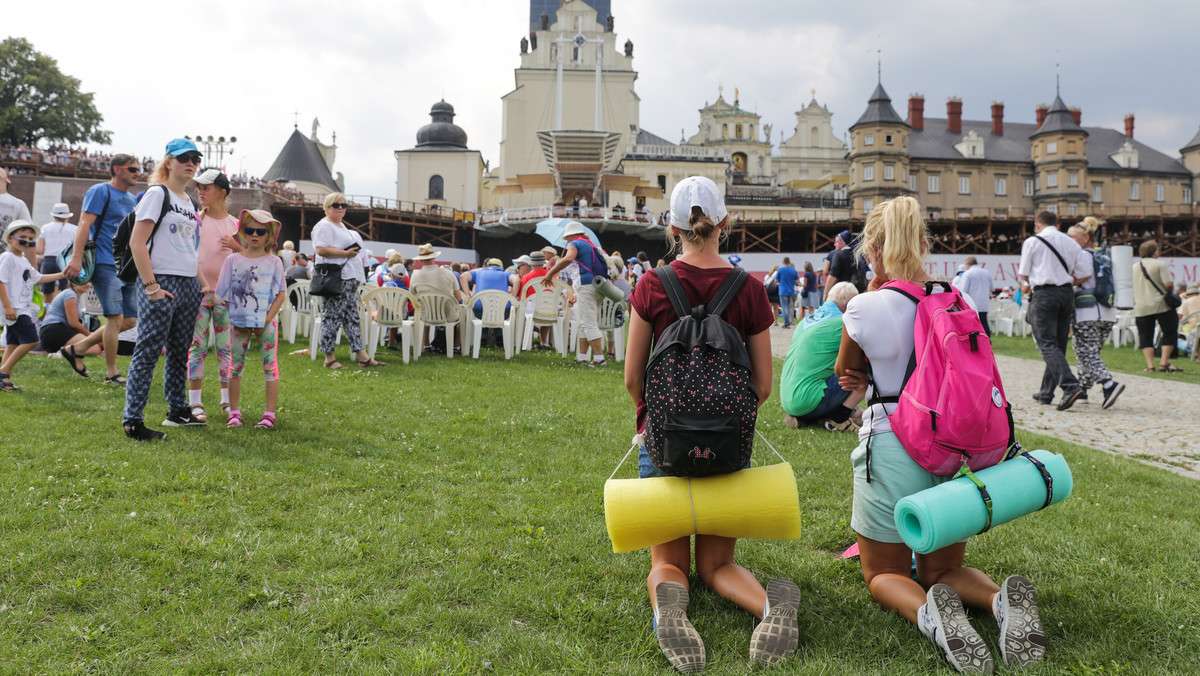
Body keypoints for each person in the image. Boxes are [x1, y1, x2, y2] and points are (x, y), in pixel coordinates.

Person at [836, 196, 1045, 674]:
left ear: (873, 248)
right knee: (941, 569)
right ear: (924, 243)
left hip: (893, 440)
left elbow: (845, 371)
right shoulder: (958, 299)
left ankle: (932, 618)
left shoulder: (866, 306)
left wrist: (873, 297)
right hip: (954, 446)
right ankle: (997, 603)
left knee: (884, 572)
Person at [625, 176, 798, 671]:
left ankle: (669, 610)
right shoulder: (749, 289)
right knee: (717, 564)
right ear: (725, 222)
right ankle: (768, 605)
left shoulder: (652, 284)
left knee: (668, 563)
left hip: (663, 445)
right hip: (726, 448)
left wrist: (656, 416)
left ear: (671, 226)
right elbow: (763, 385)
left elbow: (633, 377)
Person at [123, 139, 209, 440]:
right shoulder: (157, 193)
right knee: (147, 351)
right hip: (161, 281)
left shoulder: (189, 202)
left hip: (187, 284)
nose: (191, 162)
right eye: (184, 157)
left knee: (178, 352)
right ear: (168, 162)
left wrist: (202, 283)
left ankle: (177, 410)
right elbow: (137, 242)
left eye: (196, 158)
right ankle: (133, 421)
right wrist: (152, 287)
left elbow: (189, 247)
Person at [63, 153, 141, 385]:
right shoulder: (100, 191)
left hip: (126, 265)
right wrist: (76, 259)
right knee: (115, 317)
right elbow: (84, 224)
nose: (138, 173)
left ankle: (77, 348)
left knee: (130, 320)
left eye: (138, 170)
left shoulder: (133, 199)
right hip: (105, 262)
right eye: (133, 169)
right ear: (118, 169)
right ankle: (111, 373)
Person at [215, 210, 287, 430]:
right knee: (235, 366)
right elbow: (223, 293)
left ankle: (269, 414)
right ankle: (234, 412)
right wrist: (237, 317)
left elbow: (281, 293)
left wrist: (266, 319)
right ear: (242, 233)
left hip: (267, 324)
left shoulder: (274, 262)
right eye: (250, 230)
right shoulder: (232, 260)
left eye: (261, 231)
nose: (255, 235)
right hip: (238, 324)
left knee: (270, 366)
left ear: (269, 235)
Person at [187, 169, 241, 423]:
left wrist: (237, 246)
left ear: (222, 192)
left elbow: (251, 256)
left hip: (226, 298)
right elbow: (187, 254)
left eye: (206, 188)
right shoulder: (195, 219)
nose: (201, 192)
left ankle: (227, 399)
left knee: (225, 348)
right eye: (199, 188)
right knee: (197, 347)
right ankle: (194, 402)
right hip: (198, 293)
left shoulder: (235, 225)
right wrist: (203, 284)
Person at [1018, 211, 1086, 409]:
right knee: (1058, 343)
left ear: (1037, 224)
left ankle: (1070, 386)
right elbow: (1082, 274)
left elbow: (1024, 274)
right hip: (1066, 293)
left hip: (1044, 293)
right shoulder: (1071, 243)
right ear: (1057, 224)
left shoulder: (1032, 241)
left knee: (1046, 343)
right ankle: (1046, 392)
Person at [312, 192, 384, 369]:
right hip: (337, 278)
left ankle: (363, 356)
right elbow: (321, 249)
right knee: (332, 317)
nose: (341, 208)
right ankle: (329, 358)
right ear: (327, 207)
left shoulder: (340, 226)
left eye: (344, 205)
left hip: (348, 278)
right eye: (336, 205)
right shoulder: (324, 226)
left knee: (352, 318)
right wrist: (345, 253)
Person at [781, 281, 865, 432]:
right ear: (851, 304)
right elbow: (866, 356)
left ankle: (813, 417)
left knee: (859, 414)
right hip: (809, 400)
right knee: (865, 372)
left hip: (789, 400)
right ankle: (839, 419)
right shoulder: (843, 323)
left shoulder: (806, 320)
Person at [1, 220, 68, 390]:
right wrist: (7, 307)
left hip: (22, 307)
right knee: (32, 340)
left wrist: (62, 274)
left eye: (31, 239)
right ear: (9, 238)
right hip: (15, 308)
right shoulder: (7, 258)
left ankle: (4, 380)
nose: (27, 242)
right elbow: (1, 282)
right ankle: (3, 371)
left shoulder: (22, 259)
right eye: (22, 237)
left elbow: (38, 278)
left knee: (12, 344)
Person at [1067, 220, 1124, 408]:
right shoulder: (1104, 254)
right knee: (1089, 352)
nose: (1070, 241)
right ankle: (1083, 387)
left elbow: (1076, 283)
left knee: (1084, 351)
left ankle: (1108, 384)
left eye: (1073, 237)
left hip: (1087, 311)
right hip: (1107, 311)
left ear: (1085, 238)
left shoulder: (1081, 255)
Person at [543, 224, 607, 365]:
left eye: (566, 238)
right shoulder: (590, 245)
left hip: (586, 285)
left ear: (571, 235)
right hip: (598, 286)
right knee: (585, 322)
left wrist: (550, 273)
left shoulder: (576, 243)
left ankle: (599, 359)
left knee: (589, 322)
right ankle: (582, 357)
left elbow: (568, 258)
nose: (566, 241)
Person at [1132, 239, 1181, 372]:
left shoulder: (1134, 267)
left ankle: (1150, 365)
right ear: (1154, 252)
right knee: (1169, 332)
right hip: (1161, 304)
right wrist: (1169, 292)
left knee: (1145, 335)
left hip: (1142, 306)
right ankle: (1164, 363)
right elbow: (1169, 284)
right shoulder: (1160, 264)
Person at [409, 243, 463, 352]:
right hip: (448, 315)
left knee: (423, 309)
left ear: (420, 260)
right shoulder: (449, 273)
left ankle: (426, 345)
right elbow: (458, 297)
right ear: (434, 257)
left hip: (426, 316)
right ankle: (456, 346)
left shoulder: (415, 275)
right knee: (464, 315)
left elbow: (413, 298)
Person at [40, 279, 102, 371]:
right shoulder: (70, 294)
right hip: (53, 331)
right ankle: (62, 353)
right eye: (84, 281)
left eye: (89, 281)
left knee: (100, 340)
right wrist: (89, 334)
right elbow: (73, 323)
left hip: (58, 330)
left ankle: (65, 350)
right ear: (73, 283)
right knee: (94, 348)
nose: (88, 284)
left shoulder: (75, 296)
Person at [36, 202, 77, 304]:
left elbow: (39, 250)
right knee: (67, 291)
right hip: (66, 261)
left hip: (49, 261)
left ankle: (47, 316)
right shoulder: (74, 229)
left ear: (53, 215)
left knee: (47, 292)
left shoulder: (45, 228)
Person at [958, 257, 995, 336]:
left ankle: (975, 342)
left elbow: (963, 290)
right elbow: (992, 288)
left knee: (971, 325)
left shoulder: (967, 274)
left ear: (968, 264)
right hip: (984, 303)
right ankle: (987, 341)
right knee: (984, 323)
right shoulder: (987, 273)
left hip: (971, 304)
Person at [0, 168, 33, 259]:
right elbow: (29, 236)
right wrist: (33, 268)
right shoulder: (18, 204)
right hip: (7, 261)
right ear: (7, 182)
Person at [825, 230, 856, 299]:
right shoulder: (857, 254)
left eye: (836, 242)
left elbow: (833, 275)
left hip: (841, 292)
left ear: (843, 242)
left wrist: (825, 293)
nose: (834, 244)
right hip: (855, 291)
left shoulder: (838, 255)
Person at [775, 257, 799, 328]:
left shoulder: (780, 270)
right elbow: (797, 281)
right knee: (789, 307)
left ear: (783, 262)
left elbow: (776, 280)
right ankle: (790, 321)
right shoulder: (793, 270)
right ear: (789, 262)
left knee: (784, 307)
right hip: (790, 291)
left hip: (782, 290)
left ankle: (787, 323)